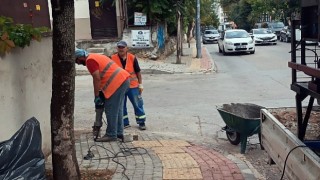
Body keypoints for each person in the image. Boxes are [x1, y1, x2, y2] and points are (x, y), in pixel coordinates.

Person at [75, 48, 130, 142]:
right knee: (118, 108)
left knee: (111, 109)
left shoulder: (90, 61)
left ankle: (111, 134)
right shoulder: (96, 56)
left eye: (77, 61)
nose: (78, 63)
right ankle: (119, 132)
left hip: (117, 82)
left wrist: (96, 96)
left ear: (80, 57)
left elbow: (96, 78)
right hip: (124, 79)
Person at [111, 41, 147, 130]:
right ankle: (124, 123)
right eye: (119, 47)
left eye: (123, 47)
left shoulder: (132, 58)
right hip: (119, 86)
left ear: (127, 48)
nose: (121, 49)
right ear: (117, 48)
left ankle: (141, 122)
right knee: (121, 105)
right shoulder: (112, 58)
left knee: (137, 104)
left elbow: (138, 72)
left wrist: (140, 84)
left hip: (133, 86)